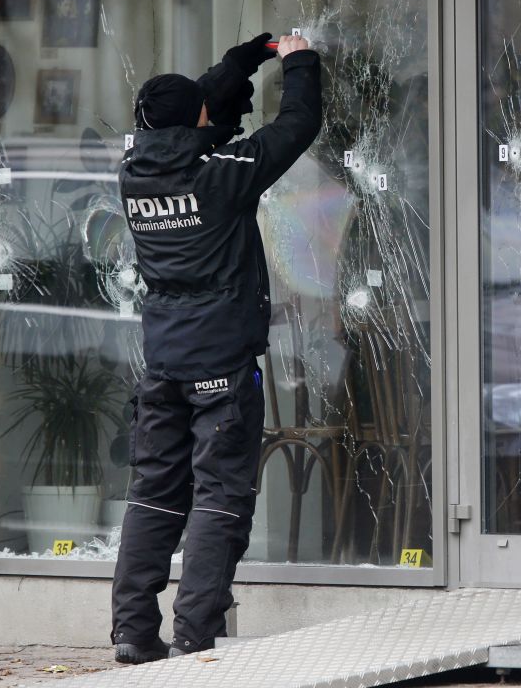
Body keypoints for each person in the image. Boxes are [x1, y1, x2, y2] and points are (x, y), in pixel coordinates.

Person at [109, 32, 321, 664]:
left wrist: (242, 58)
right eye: (202, 109)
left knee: (152, 492)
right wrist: (299, 58)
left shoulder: (133, 175)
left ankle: (131, 633)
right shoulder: (222, 176)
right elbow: (298, 122)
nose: (210, 111)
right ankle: (197, 634)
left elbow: (192, 112)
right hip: (222, 364)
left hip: (164, 362)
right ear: (193, 121)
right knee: (219, 497)